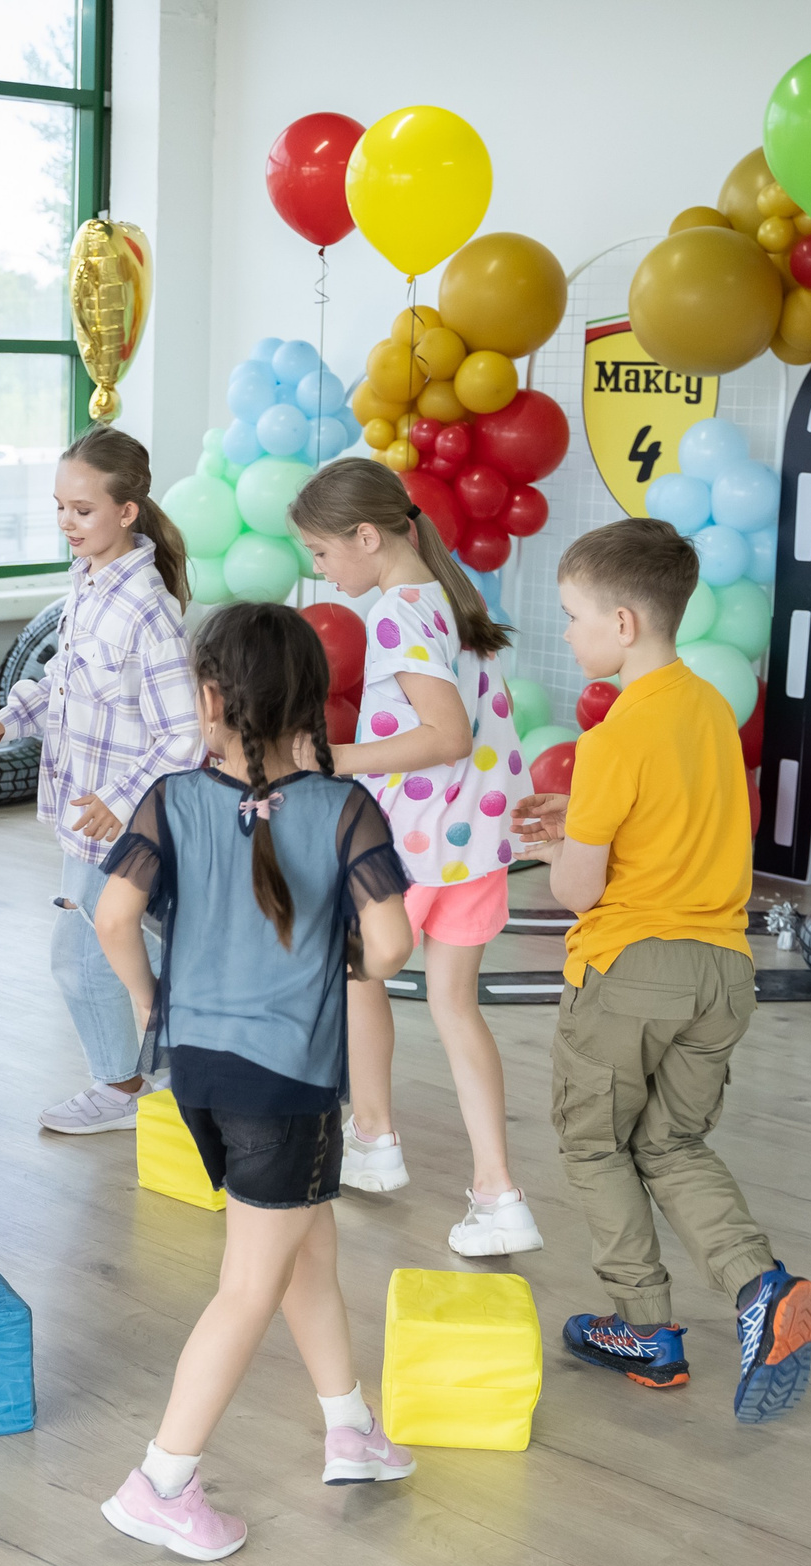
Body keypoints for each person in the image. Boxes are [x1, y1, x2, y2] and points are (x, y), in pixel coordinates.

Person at [90, 603, 417, 1561]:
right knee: (248, 1285)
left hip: (196, 1070)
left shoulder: (171, 795)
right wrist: (342, 973)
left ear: (212, 698)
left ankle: (351, 1428)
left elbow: (114, 916)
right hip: (287, 1082)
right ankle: (161, 1482)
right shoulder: (344, 807)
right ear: (310, 703)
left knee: (303, 1244)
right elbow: (392, 940)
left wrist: (154, 1004)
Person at [514, 518, 811, 1424]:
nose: (566, 633)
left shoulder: (614, 735)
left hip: (632, 972)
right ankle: (760, 1285)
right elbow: (673, 814)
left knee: (592, 1141)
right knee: (672, 1142)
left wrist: (554, 845)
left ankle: (644, 1328)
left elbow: (580, 890)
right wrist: (582, 814)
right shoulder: (704, 710)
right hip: (723, 972)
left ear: (621, 622)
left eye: (572, 616)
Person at [290, 459, 542, 1258]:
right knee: (454, 1009)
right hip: (478, 843)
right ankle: (498, 1193)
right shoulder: (448, 594)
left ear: (367, 537)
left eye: (323, 553)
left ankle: (374, 1140)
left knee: (355, 976)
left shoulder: (398, 613)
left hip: (416, 847)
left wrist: (334, 760)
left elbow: (446, 736)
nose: (319, 569)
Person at [0, 425, 204, 1136]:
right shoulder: (87, 584)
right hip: (84, 812)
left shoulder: (147, 610)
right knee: (121, 944)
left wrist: (120, 797)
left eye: (83, 510)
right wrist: (11, 717)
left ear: (127, 511)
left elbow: (185, 733)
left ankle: (123, 1085)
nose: (67, 524)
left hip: (126, 818)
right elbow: (69, 687)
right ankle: (193, 1043)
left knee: (80, 958)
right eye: (60, 507)